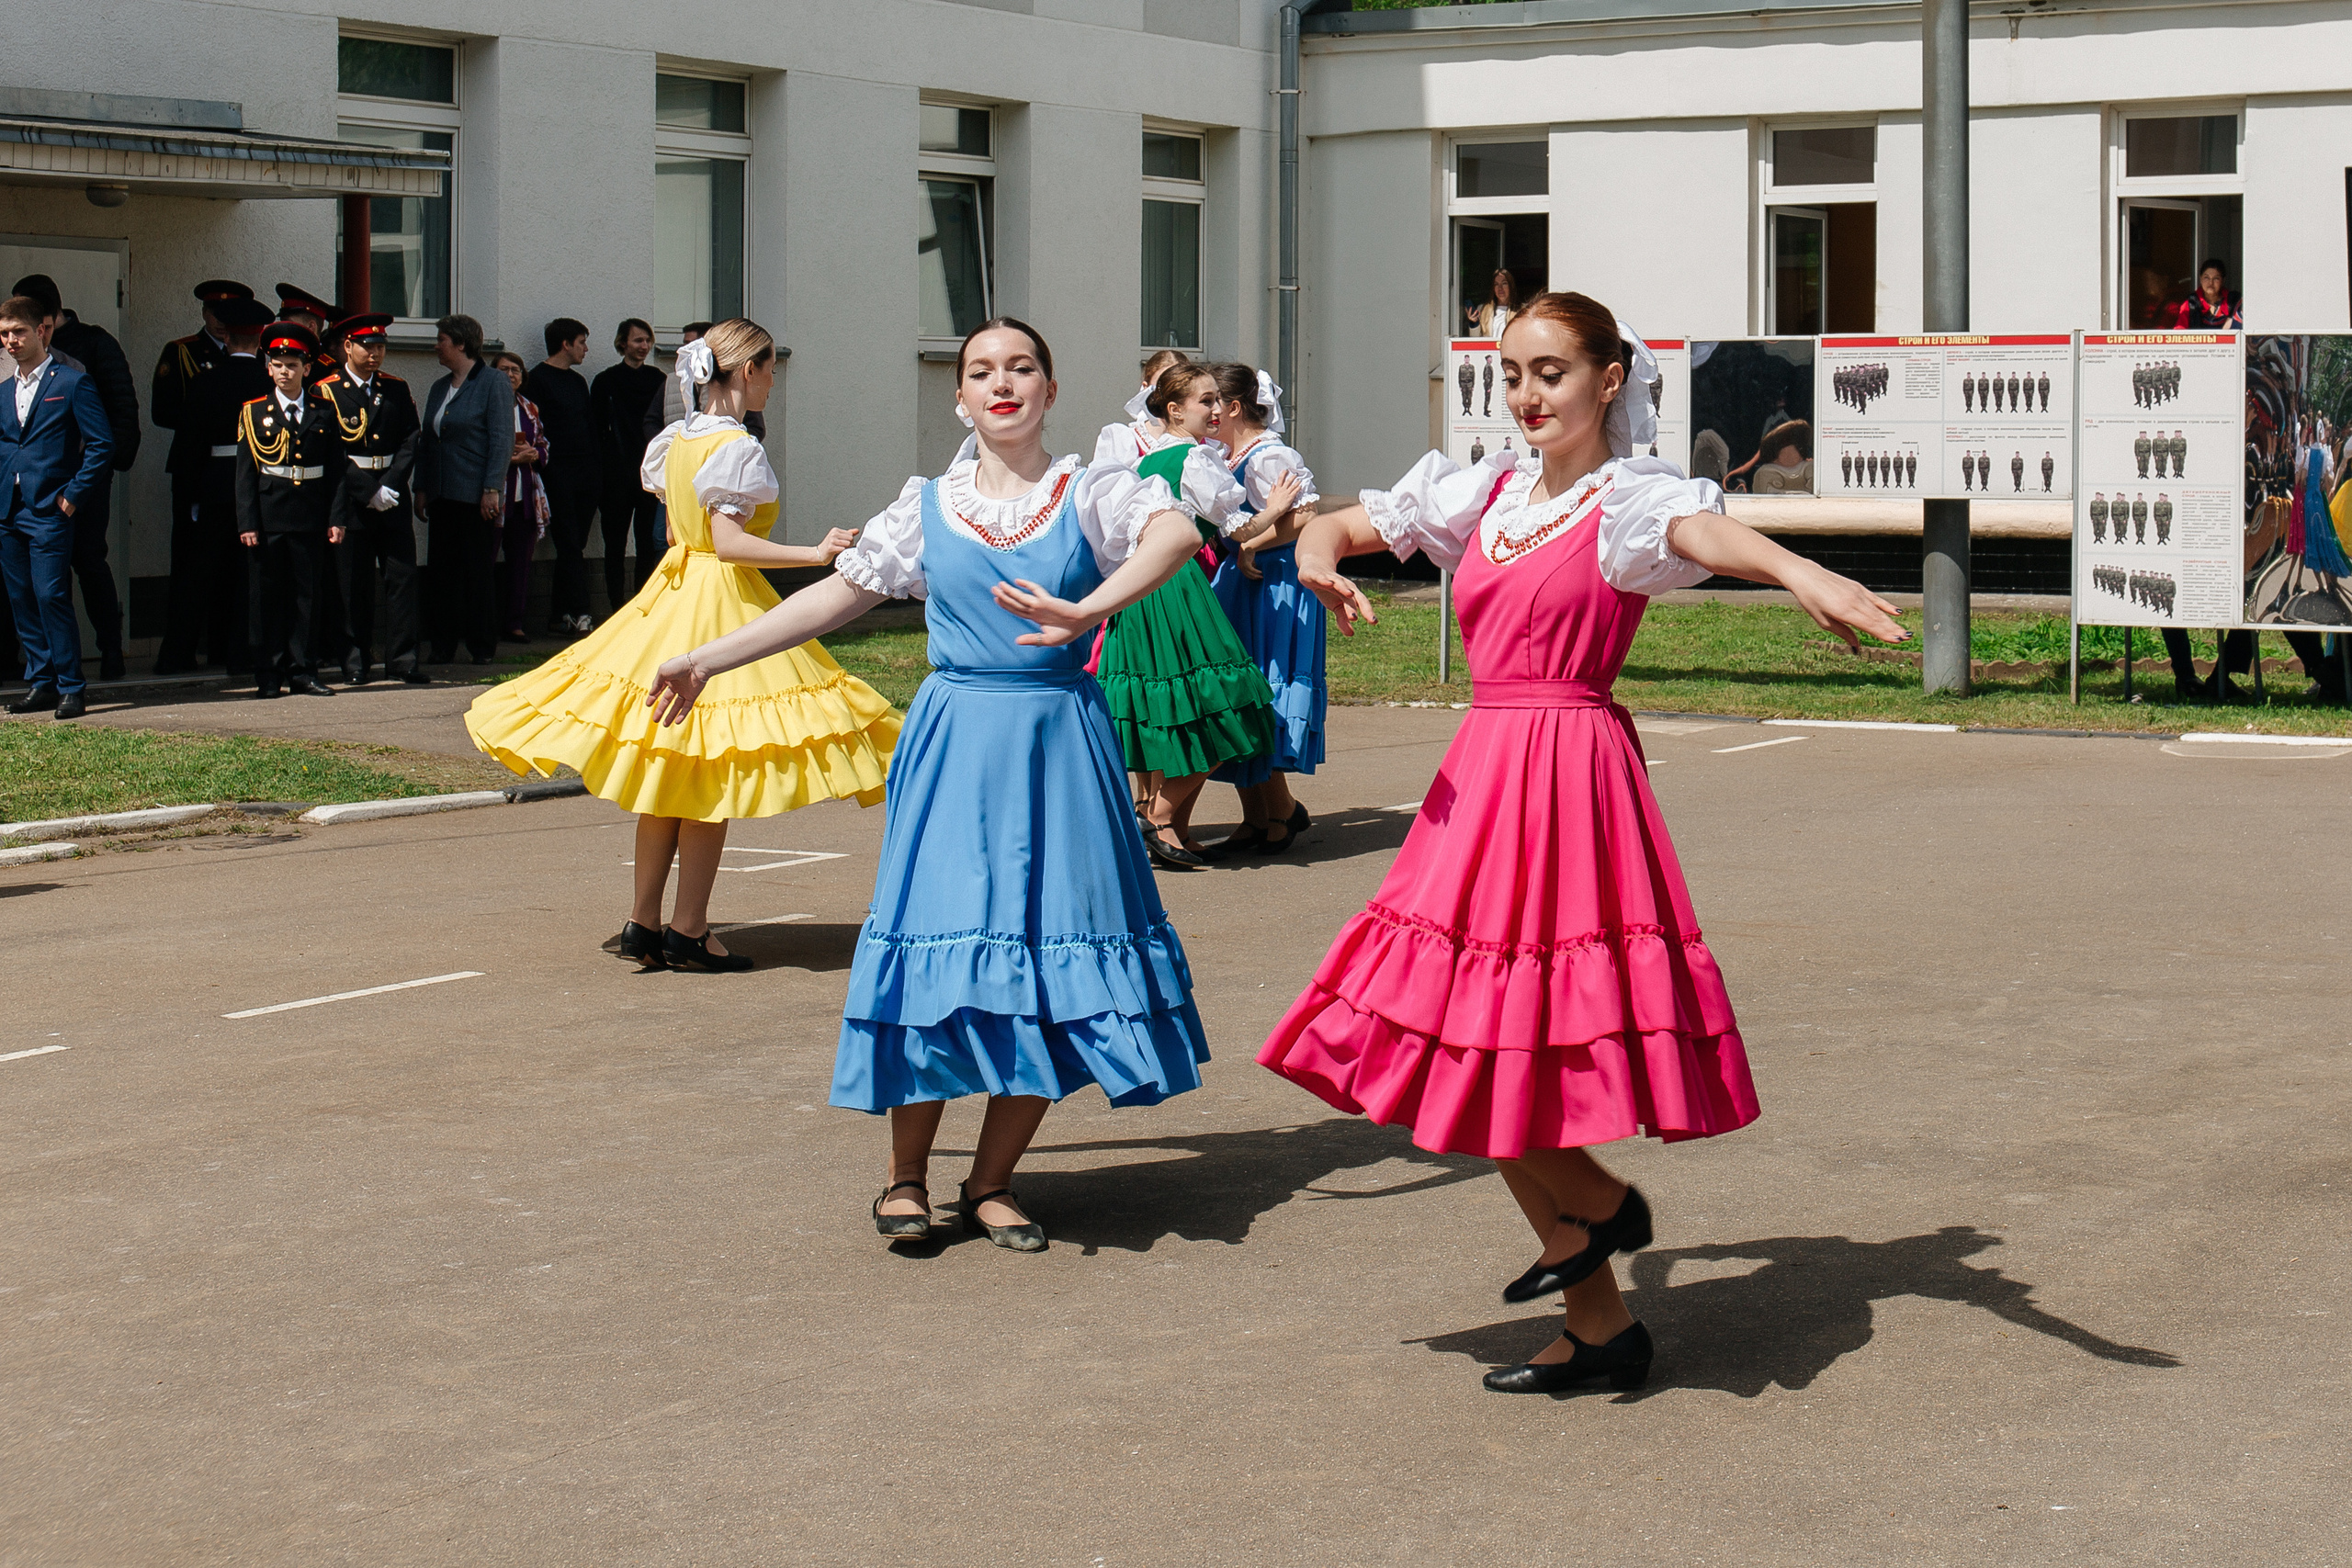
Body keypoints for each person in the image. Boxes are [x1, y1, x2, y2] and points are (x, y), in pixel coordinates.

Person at [1256, 291, 1905, 1395]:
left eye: (1550, 373)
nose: (1524, 396)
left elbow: (1702, 534)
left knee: (1516, 1042)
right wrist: (1316, 551)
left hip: (1567, 776)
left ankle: (1600, 1213)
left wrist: (1798, 570)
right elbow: (1344, 519)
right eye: (1511, 375)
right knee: (1461, 1041)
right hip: (1481, 780)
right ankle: (1599, 1319)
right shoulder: (1487, 493)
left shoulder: (1627, 499)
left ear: (1609, 381)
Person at [644, 317, 1214, 1250]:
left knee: (1046, 960)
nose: (1003, 383)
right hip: (955, 745)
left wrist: (1086, 611)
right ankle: (905, 1177)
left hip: (1060, 744)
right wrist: (709, 658)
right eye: (982, 370)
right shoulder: (928, 505)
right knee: (938, 957)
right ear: (958, 397)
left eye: (1022, 366)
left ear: (1049, 390)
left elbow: (1175, 534)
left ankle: (991, 1182)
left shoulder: (1088, 491)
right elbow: (840, 593)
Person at [467, 319, 897, 972]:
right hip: (720, 598)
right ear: (745, 371)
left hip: (673, 594)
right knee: (707, 770)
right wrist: (815, 552)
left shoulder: (678, 440)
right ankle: (690, 929)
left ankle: (643, 919)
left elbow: (678, 533)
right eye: (769, 368)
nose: (774, 380)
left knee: (671, 767)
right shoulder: (738, 447)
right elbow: (726, 543)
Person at [1096, 361, 1290, 868]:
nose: (1216, 410)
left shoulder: (1147, 460)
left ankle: (1169, 827)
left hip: (1139, 586)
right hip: (1176, 588)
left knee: (1169, 710)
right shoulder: (1196, 460)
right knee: (1231, 706)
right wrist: (1278, 508)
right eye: (1204, 401)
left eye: (1218, 401)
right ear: (1175, 409)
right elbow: (1239, 530)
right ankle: (1158, 818)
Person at [1205, 363, 1323, 855]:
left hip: (1275, 585)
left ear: (1234, 407)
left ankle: (1275, 815)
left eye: (1214, 402)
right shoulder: (1234, 454)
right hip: (1248, 582)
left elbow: (1306, 515)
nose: (1208, 412)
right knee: (1241, 694)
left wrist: (1253, 546)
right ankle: (1261, 815)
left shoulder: (1270, 455)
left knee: (1261, 693)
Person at [13, 274, 139, 682]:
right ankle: (45, 665)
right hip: (33, 482)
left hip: (82, 480)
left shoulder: (95, 344)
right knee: (39, 579)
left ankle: (110, 647)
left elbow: (121, 407)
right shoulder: (17, 358)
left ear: (47, 319)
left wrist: (98, 473)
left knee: (88, 560)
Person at [1, 294, 114, 718]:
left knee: (51, 594)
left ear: (42, 331)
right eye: (5, 334)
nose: (11, 341)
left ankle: (71, 686)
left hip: (49, 507)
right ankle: (42, 682)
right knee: (21, 596)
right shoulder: (3, 389)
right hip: (9, 508)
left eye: (19, 332)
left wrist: (73, 495)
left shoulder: (71, 382)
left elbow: (102, 445)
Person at [232, 321, 349, 699]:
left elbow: (337, 472)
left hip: (310, 516)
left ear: (307, 369)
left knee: (307, 598)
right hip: (268, 518)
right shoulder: (253, 412)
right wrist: (247, 522)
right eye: (278, 364)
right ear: (268, 368)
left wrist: (336, 517)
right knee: (266, 600)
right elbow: (245, 474)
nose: (285, 372)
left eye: (293, 365)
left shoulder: (324, 412)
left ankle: (304, 670)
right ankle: (268, 673)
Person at [315, 312, 426, 685]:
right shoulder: (325, 390)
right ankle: (354, 662)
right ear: (348, 346)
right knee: (353, 586)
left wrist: (391, 485)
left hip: (391, 496)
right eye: (367, 346)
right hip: (351, 499)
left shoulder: (395, 387)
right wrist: (368, 491)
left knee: (402, 579)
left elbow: (411, 438)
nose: (375, 353)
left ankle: (403, 659)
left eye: (380, 346)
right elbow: (330, 451)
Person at [153, 279, 254, 674]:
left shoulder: (252, 368)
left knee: (232, 569)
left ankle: (222, 647)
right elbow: (164, 411)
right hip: (201, 472)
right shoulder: (182, 353)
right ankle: (184, 651)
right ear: (205, 315)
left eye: (227, 318)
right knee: (194, 566)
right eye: (214, 314)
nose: (219, 323)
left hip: (221, 473)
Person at [184, 298, 279, 676]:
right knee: (250, 574)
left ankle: (191, 650)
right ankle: (245, 651)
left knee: (206, 572)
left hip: (214, 483)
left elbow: (190, 443)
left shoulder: (205, 380)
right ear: (260, 341)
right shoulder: (268, 381)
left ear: (227, 340)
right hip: (261, 484)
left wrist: (191, 493)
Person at [417, 312, 513, 664]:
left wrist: (492, 489)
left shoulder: (492, 383)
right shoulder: (439, 387)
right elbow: (428, 440)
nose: (436, 347)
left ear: (460, 343)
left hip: (474, 496)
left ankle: (481, 645)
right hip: (443, 494)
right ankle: (442, 644)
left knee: (475, 572)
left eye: (441, 340)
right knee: (441, 574)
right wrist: (422, 488)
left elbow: (501, 439)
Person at [525, 318, 597, 637]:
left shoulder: (579, 382)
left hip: (585, 472)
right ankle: (581, 611)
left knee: (575, 543)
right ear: (565, 344)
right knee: (568, 541)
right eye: (581, 342)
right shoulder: (537, 380)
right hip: (556, 472)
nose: (585, 348)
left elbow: (589, 426)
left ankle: (560, 613)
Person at [590, 319, 667, 615]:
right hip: (616, 476)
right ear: (623, 343)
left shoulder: (657, 379)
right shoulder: (606, 381)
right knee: (615, 545)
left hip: (648, 474)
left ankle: (641, 605)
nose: (644, 346)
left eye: (648, 340)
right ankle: (615, 606)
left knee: (647, 543)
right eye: (638, 341)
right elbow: (596, 431)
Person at [491, 352, 550, 643]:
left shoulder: (529, 408)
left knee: (521, 565)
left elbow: (543, 445)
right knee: (486, 561)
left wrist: (534, 454)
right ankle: (482, 623)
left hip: (525, 497)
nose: (510, 375)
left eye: (516, 370)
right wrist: (508, 459)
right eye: (503, 370)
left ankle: (514, 623)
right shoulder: (486, 404)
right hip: (493, 498)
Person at [1093, 349, 1191, 468]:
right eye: (1162, 385)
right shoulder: (1125, 442)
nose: (1170, 394)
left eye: (1179, 386)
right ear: (1146, 388)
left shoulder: (1203, 441)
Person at [2175, 258, 2243, 330]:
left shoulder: (2234, 301)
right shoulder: (2191, 303)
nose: (2211, 283)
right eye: (2206, 278)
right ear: (2200, 279)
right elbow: (2179, 333)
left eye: (2216, 278)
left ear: (2223, 281)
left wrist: (2231, 322)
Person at [1465, 267, 1519, 338]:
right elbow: (1475, 340)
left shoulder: (1521, 311)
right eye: (1496, 284)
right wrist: (1474, 324)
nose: (1500, 288)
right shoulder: (1482, 309)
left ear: (1511, 286)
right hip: (1489, 349)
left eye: (1504, 283)